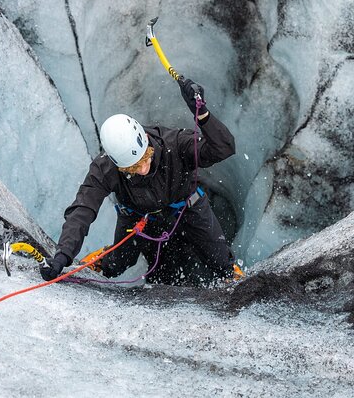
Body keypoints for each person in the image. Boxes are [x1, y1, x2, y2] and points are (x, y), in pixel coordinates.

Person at [40, 79, 239, 286]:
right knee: (117, 264)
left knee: (220, 259)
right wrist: (63, 255)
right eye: (133, 168)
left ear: (144, 138)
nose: (142, 169)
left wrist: (203, 115)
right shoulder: (105, 168)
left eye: (145, 158)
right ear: (117, 164)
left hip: (188, 208)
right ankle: (98, 262)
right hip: (138, 217)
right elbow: (83, 210)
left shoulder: (175, 143)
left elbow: (224, 148)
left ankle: (230, 274)